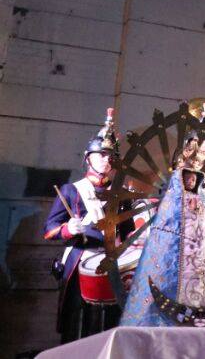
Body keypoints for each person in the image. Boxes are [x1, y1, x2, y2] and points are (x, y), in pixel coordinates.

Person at [120, 126, 205, 327]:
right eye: (187, 176)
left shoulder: (202, 202)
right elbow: (164, 238)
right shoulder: (171, 202)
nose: (191, 180)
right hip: (172, 264)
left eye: (195, 178)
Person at [44, 108, 129, 342]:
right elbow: (49, 229)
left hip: (113, 263)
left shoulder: (121, 194)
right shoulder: (72, 190)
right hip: (81, 259)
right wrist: (69, 229)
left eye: (109, 156)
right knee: (77, 322)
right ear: (88, 157)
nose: (105, 159)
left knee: (111, 321)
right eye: (100, 154)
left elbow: (130, 231)